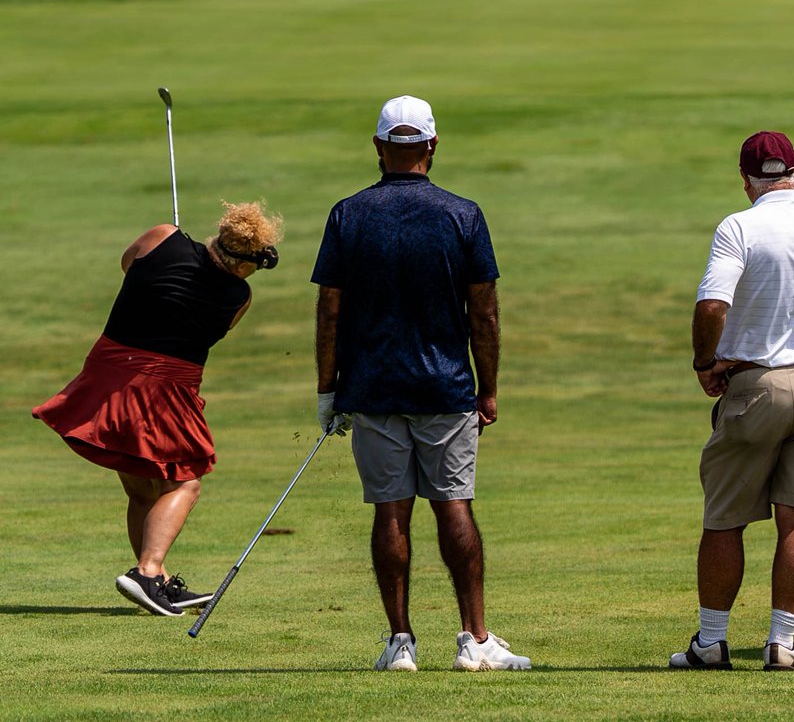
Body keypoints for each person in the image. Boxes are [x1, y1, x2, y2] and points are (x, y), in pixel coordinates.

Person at [312, 94, 531, 673]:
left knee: (391, 512)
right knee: (453, 507)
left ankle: (401, 643)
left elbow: (329, 311)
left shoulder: (347, 214)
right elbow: (482, 312)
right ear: (432, 146)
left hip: (373, 390)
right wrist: (488, 387)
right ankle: (475, 639)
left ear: (380, 147)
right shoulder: (463, 214)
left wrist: (327, 391)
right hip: (446, 387)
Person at [669, 131, 794, 672]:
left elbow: (712, 305)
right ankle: (782, 644)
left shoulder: (740, 226)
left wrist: (704, 363)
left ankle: (711, 644)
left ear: (746, 180)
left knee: (725, 519)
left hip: (758, 387)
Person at [33, 201, 283, 618]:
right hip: (165, 389)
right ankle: (147, 571)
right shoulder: (240, 296)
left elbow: (129, 264)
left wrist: (173, 251)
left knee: (142, 489)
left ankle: (159, 584)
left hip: (108, 373)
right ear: (243, 265)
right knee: (186, 483)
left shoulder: (163, 236)